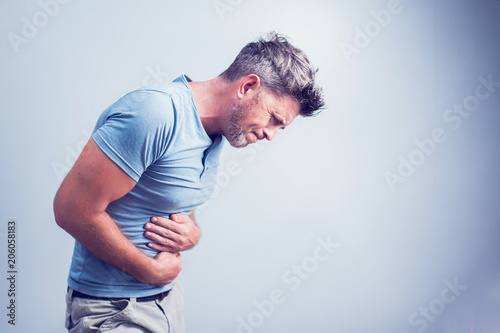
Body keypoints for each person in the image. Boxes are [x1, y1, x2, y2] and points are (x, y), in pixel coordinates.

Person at [53, 32, 325, 333]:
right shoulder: (155, 114)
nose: (271, 134)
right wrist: (151, 271)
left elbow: (172, 200)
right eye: (274, 118)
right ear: (248, 86)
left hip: (166, 304)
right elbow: (71, 210)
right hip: (112, 309)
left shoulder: (219, 131)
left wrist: (192, 233)